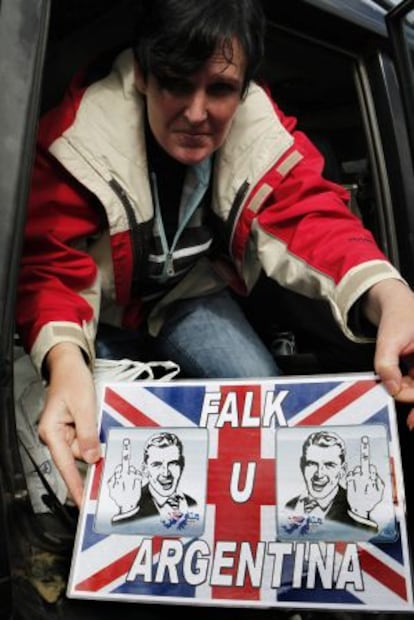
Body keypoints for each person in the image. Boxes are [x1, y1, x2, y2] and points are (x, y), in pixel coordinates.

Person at [15, 0, 414, 509]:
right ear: (142, 74)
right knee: (98, 458)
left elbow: (310, 216)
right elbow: (47, 261)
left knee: (265, 406)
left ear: (244, 88)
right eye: (177, 83)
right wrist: (64, 360)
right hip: (101, 314)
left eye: (221, 89)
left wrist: (389, 292)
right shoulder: (77, 140)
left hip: (188, 293)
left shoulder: (259, 130)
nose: (197, 113)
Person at [285, 432, 384, 532]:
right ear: (302, 465)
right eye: (312, 464)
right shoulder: (290, 505)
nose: (319, 474)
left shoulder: (355, 505)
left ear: (342, 470)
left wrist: (360, 513)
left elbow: (367, 543)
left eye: (329, 465)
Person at [107, 432, 199, 525]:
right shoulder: (133, 502)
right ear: (145, 469)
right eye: (157, 465)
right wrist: (127, 510)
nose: (165, 473)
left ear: (182, 465)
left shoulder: (192, 503)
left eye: (172, 463)